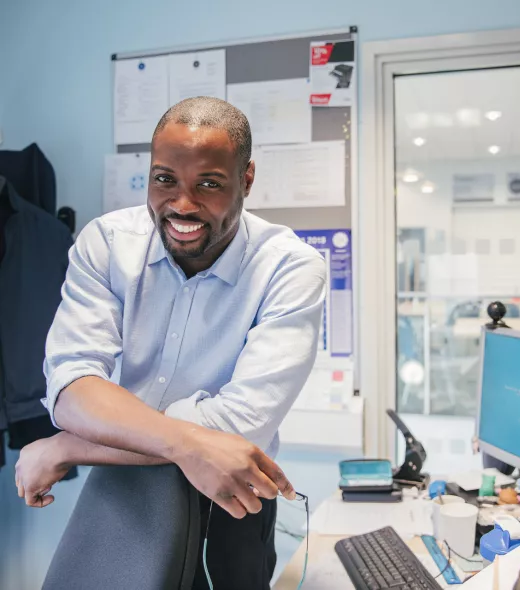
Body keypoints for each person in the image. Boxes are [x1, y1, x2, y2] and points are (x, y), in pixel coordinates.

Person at [15, 97, 326, 589]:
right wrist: (187, 442)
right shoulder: (108, 242)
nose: (182, 204)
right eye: (165, 180)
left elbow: (239, 424)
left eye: (209, 184)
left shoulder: (289, 267)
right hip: (125, 489)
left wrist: (68, 446)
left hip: (231, 499)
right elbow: (74, 386)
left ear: (245, 179)